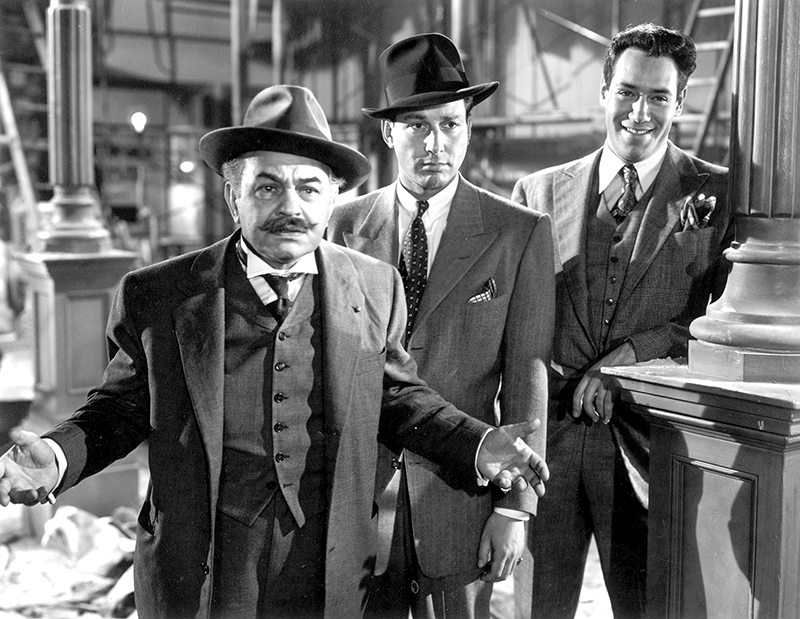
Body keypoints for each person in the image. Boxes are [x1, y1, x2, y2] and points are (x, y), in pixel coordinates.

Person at [0, 85, 550, 619]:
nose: (291, 207)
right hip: (205, 569)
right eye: (267, 188)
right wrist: (58, 456)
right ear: (232, 196)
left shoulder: (375, 286)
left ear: (332, 198)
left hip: (330, 569)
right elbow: (117, 410)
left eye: (309, 189)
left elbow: (399, 398)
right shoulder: (159, 294)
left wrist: (477, 444)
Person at [328, 33, 555, 619]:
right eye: (417, 127)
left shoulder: (519, 232)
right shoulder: (340, 226)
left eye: (450, 124)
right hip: (354, 505)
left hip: (462, 501)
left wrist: (514, 508)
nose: (435, 144)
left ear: (469, 127)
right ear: (388, 133)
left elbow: (527, 376)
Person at [511, 23, 733, 618]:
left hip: (650, 447)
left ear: (679, 104)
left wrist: (632, 357)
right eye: (628, 92)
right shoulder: (536, 192)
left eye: (658, 97)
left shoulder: (719, 195)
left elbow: (719, 325)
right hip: (549, 449)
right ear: (604, 92)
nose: (640, 112)